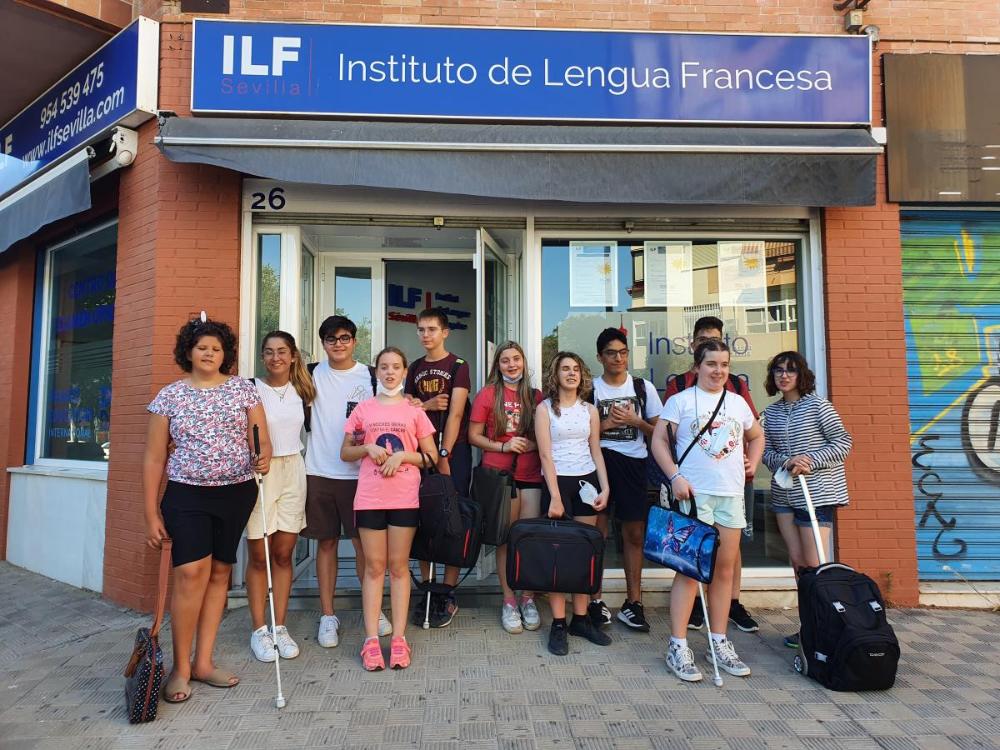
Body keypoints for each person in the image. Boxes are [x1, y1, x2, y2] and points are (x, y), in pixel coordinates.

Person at [143, 317, 271, 704]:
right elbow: (153, 458)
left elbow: (260, 440)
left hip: (236, 493)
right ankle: (180, 668)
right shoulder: (169, 396)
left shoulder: (243, 390)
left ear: (225, 354)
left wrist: (262, 455)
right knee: (189, 573)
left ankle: (203, 662)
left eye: (217, 348)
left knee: (219, 573)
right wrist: (151, 513)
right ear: (189, 352)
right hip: (186, 494)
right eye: (202, 347)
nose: (209, 353)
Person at [652, 338, 764, 682]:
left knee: (724, 571)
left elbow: (757, 436)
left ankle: (719, 641)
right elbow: (659, 441)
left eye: (724, 364)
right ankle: (678, 645)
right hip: (694, 497)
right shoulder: (681, 401)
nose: (718, 370)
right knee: (690, 571)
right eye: (711, 364)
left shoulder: (738, 404)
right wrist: (675, 476)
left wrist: (753, 462)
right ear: (697, 366)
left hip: (730, 494)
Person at [342, 346, 437, 670]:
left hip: (404, 498)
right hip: (370, 498)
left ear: (404, 371)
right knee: (374, 567)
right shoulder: (363, 410)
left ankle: (398, 638)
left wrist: (403, 456)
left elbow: (431, 456)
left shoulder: (414, 411)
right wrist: (367, 447)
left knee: (398, 568)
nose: (390, 372)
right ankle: (371, 640)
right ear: (377, 372)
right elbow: (345, 452)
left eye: (396, 367)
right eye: (384, 367)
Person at [301, 315, 390, 650]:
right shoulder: (308, 374)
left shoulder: (370, 375)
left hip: (361, 475)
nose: (338, 344)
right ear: (323, 343)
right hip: (319, 471)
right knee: (325, 544)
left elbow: (394, 408)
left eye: (344, 338)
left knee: (364, 546)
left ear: (354, 341)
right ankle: (328, 615)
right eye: (331, 339)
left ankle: (374, 609)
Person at [761, 350, 852, 649]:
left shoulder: (818, 406)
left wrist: (809, 460)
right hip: (784, 495)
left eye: (791, 370)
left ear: (802, 375)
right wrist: (787, 461)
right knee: (799, 564)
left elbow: (843, 442)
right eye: (778, 370)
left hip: (816, 494)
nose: (784, 375)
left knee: (815, 564)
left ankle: (826, 629)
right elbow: (766, 453)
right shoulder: (771, 413)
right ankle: (808, 627)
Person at [535, 351, 612, 656]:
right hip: (557, 484)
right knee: (558, 555)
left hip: (586, 482)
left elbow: (596, 450)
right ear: (555, 375)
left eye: (576, 369)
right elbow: (544, 455)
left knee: (583, 554)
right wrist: (555, 496)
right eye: (565, 369)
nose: (571, 373)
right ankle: (558, 623)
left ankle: (580, 618)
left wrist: (605, 487)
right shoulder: (544, 409)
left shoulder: (589, 410)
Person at [246, 331, 314, 662]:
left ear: (293, 356)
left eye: (282, 351)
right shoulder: (249, 389)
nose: (276, 357)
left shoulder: (304, 390)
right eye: (270, 352)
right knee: (260, 556)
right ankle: (259, 630)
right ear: (262, 356)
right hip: (261, 472)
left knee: (284, 554)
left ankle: (279, 627)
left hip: (293, 470)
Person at [468, 341, 544, 634]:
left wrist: (532, 445)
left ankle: (528, 598)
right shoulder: (488, 394)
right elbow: (473, 436)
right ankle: (509, 600)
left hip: (531, 475)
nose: (512, 365)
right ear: (497, 365)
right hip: (500, 477)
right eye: (505, 360)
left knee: (529, 538)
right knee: (505, 539)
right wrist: (504, 445)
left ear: (523, 362)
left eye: (516, 359)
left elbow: (546, 436)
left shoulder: (536, 396)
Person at [590, 328, 661, 632]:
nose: (618, 358)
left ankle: (634, 602)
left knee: (634, 534)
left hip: (634, 465)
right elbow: (578, 432)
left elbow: (661, 433)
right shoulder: (590, 390)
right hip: (598, 464)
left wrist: (636, 421)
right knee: (597, 533)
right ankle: (594, 600)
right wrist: (605, 424)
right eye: (611, 353)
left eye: (623, 352)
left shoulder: (643, 388)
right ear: (600, 357)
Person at [405, 307, 472, 628]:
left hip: (451, 453)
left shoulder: (458, 366)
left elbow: (456, 412)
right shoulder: (415, 367)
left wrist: (444, 451)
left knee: (452, 520)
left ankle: (447, 592)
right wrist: (428, 404)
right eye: (421, 329)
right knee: (425, 520)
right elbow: (406, 408)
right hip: (420, 454)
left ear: (445, 332)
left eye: (431, 329)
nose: (425, 335)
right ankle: (428, 589)